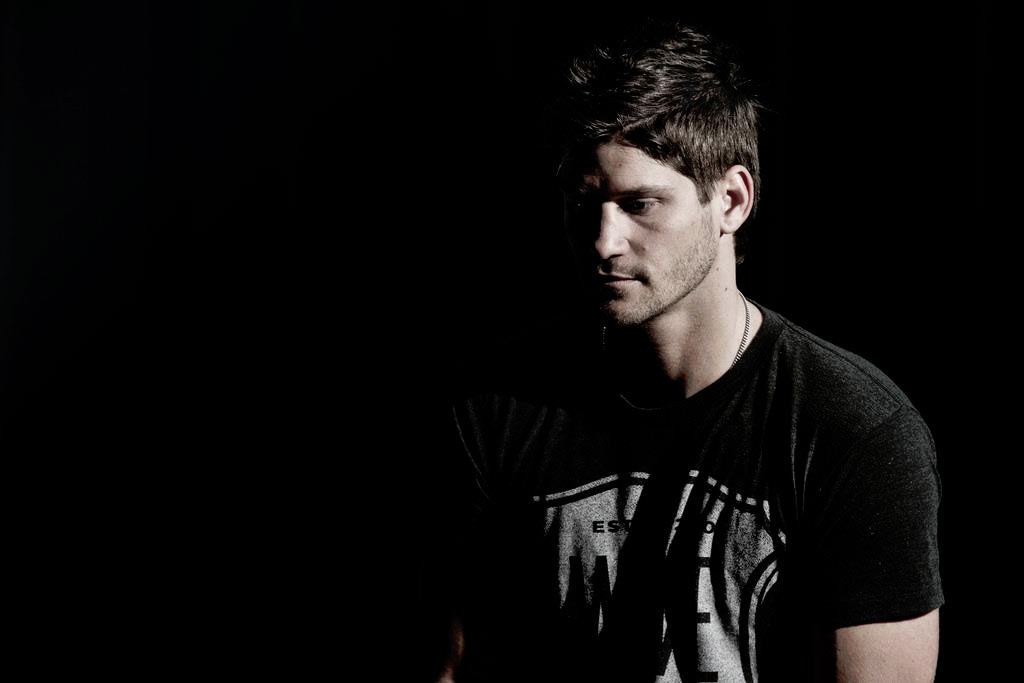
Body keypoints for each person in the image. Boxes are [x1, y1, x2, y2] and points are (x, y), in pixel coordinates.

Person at [422, 20, 943, 683]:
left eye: (640, 203)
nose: (603, 241)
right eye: (585, 204)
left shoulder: (850, 430)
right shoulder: (496, 408)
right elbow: (455, 665)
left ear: (731, 200)